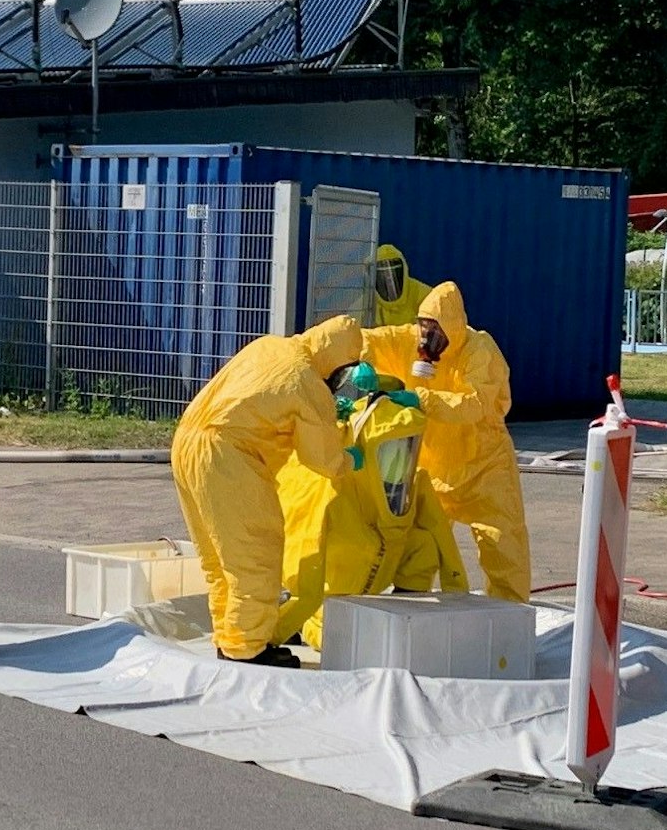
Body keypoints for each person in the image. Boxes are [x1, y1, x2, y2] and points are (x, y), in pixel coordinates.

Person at [173, 316, 364, 666]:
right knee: (255, 553)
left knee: (220, 558)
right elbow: (322, 459)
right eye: (345, 372)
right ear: (339, 362)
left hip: (187, 440)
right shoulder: (308, 382)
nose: (341, 381)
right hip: (228, 455)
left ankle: (231, 637)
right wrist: (350, 459)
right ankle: (247, 648)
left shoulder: (271, 346)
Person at [362, 281, 531, 602]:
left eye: (436, 329)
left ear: (454, 327)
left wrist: (420, 399)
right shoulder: (406, 341)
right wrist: (355, 362)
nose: (427, 338)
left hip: (483, 466)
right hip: (432, 468)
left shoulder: (480, 350)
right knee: (418, 541)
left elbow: (475, 404)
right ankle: (410, 607)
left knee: (501, 542)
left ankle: (511, 614)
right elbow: (363, 340)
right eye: (424, 327)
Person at [273, 384, 469, 651]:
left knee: (422, 545)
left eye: (406, 448)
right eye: (391, 450)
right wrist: (283, 628)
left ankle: (402, 612)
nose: (400, 460)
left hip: (380, 555)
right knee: (331, 633)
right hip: (331, 582)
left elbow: (440, 538)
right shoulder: (329, 489)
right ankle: (305, 625)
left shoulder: (412, 484)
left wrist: (459, 601)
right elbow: (301, 552)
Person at [373, 243, 432, 327]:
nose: (389, 278)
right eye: (383, 274)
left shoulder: (424, 294)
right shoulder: (367, 300)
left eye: (394, 272)